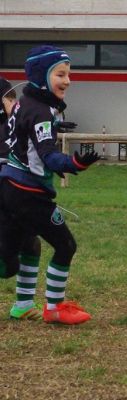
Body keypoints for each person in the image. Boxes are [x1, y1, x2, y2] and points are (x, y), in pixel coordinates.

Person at [0, 45, 100, 325]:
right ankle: (54, 308)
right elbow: (48, 156)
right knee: (65, 245)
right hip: (28, 194)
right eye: (60, 74)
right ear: (41, 76)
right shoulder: (42, 111)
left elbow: (22, 137)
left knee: (29, 247)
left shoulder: (23, 102)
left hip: (9, 186)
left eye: (68, 74)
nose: (67, 80)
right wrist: (75, 164)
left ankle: (22, 305)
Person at [0, 77, 44, 321]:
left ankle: (24, 303)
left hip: (14, 183)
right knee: (7, 262)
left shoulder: (6, 92)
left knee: (31, 242)